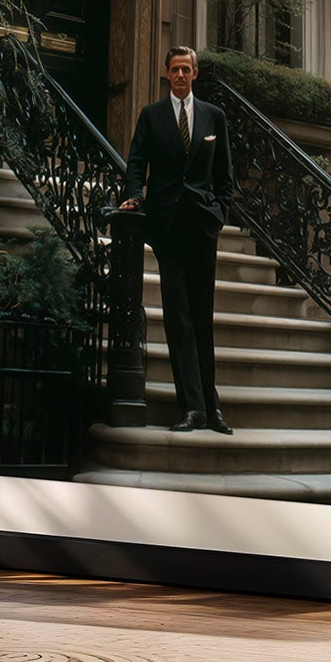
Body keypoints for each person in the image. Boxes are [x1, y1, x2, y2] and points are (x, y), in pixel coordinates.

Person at [120, 47, 235, 434]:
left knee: (202, 318)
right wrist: (135, 195)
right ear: (167, 74)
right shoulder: (151, 116)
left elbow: (226, 178)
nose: (181, 75)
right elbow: (136, 162)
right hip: (167, 227)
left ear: (195, 73)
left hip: (203, 227)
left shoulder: (213, 117)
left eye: (186, 69)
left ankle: (212, 406)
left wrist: (219, 212)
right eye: (174, 69)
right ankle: (192, 407)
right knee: (179, 319)